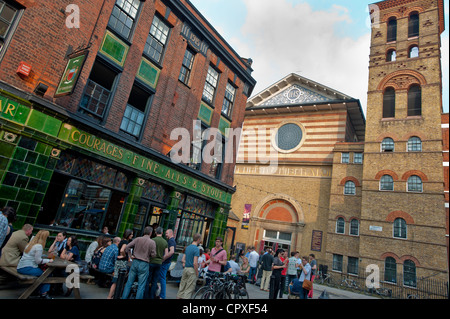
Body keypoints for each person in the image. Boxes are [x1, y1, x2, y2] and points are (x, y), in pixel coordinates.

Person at [121, 226, 156, 299]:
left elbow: (127, 247)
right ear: (150, 233)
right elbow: (153, 255)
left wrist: (131, 255)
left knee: (129, 283)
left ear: (144, 232)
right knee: (141, 285)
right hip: (144, 263)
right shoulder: (152, 242)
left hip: (135, 261)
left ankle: (124, 297)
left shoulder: (137, 239)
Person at [16, 230, 53, 299]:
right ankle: (44, 294)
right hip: (27, 268)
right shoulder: (39, 246)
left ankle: (35, 291)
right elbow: (38, 261)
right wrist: (49, 260)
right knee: (47, 274)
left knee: (41, 274)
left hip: (20, 267)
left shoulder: (30, 244)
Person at [107, 230, 133, 299]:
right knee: (119, 280)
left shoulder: (121, 241)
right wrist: (124, 255)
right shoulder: (125, 242)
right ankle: (111, 296)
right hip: (122, 262)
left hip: (118, 262)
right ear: (128, 235)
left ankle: (110, 296)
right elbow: (122, 250)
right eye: (131, 234)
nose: (132, 236)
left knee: (115, 280)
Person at [176, 233, 201, 299]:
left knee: (181, 288)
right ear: (198, 239)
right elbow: (195, 263)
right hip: (192, 270)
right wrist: (197, 272)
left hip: (186, 269)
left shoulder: (188, 247)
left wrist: (187, 262)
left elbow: (183, 259)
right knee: (189, 290)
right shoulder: (196, 249)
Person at [146, 226, 168, 299]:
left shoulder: (152, 240)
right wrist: (162, 259)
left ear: (155, 232)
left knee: (148, 279)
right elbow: (167, 254)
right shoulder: (165, 242)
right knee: (155, 281)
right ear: (162, 233)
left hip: (151, 261)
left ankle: (146, 296)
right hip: (159, 263)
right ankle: (152, 296)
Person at [158, 228, 176, 299]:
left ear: (171, 233)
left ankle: (162, 296)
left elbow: (172, 251)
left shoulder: (171, 241)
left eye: (167, 233)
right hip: (166, 262)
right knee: (161, 278)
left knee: (162, 278)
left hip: (165, 262)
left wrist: (164, 258)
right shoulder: (171, 241)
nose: (165, 235)